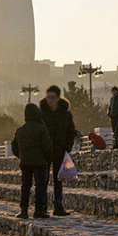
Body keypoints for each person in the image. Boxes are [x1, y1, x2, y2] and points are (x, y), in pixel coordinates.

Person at [11, 103, 53, 219]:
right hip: (39, 162)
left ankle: (24, 210)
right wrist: (47, 158)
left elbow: (14, 146)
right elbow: (48, 146)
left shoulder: (20, 130)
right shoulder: (41, 129)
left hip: (25, 162)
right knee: (40, 186)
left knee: (25, 186)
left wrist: (21, 156)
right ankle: (38, 210)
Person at [39, 85, 76, 217]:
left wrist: (67, 146)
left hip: (60, 150)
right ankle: (42, 206)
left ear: (58, 98)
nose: (50, 100)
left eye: (53, 97)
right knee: (43, 179)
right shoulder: (41, 113)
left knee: (58, 179)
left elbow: (71, 131)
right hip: (45, 151)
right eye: (48, 97)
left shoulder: (65, 113)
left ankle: (58, 206)